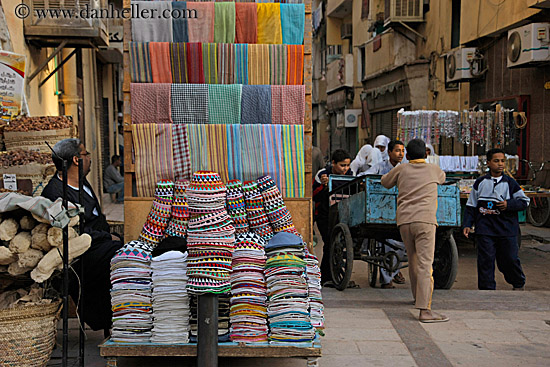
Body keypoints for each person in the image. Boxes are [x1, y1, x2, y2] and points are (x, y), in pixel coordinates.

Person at [41, 138, 123, 334]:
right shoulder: (54, 192)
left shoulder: (82, 183)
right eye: (86, 154)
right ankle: (114, 320)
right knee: (119, 256)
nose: (89, 159)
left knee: (130, 252)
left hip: (99, 243)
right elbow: (70, 231)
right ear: (77, 160)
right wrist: (105, 238)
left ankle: (122, 318)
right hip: (79, 252)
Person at [381, 139, 448, 323]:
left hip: (405, 221)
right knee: (425, 264)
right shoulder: (433, 169)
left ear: (407, 156)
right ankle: (425, 310)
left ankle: (417, 298)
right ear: (426, 154)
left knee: (413, 259)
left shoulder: (401, 169)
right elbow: (443, 179)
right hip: (425, 221)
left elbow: (384, 182)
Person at [463, 148, 529, 290]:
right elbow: (471, 206)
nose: (500, 164)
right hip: (485, 230)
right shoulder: (480, 183)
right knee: (485, 261)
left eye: (502, 161)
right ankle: (487, 290)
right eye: (496, 161)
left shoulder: (511, 184)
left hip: (507, 230)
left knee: (509, 260)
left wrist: (508, 204)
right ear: (488, 163)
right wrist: (467, 224)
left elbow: (524, 202)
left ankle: (518, 283)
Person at [364, 140, 407, 288]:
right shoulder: (380, 166)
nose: (400, 154)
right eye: (397, 150)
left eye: (402, 151)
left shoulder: (406, 168)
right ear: (389, 153)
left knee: (402, 244)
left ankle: (394, 271)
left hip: (400, 210)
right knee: (386, 244)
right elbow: (366, 176)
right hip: (381, 209)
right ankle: (387, 279)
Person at [313, 149, 353, 286]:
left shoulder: (351, 174)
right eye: (342, 165)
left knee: (338, 243)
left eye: (347, 165)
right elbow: (314, 194)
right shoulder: (323, 174)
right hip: (324, 215)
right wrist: (324, 186)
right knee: (329, 242)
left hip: (343, 214)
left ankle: (333, 275)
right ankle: (326, 276)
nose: (345, 169)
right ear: (334, 163)